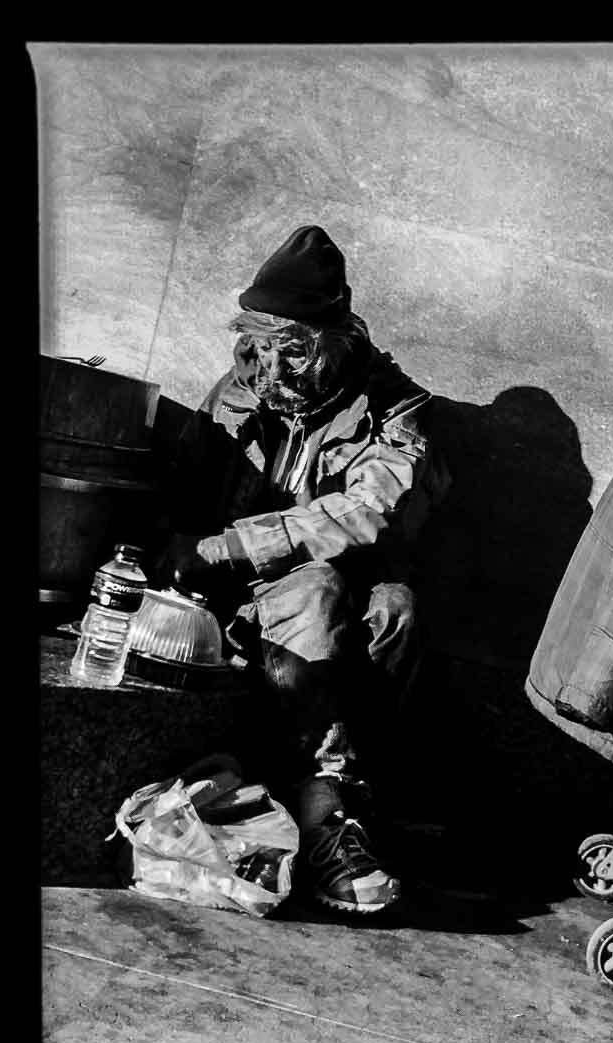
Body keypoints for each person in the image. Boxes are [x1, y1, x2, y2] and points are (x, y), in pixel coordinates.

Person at [152, 224, 450, 915]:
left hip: (323, 574)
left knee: (375, 605)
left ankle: (330, 809)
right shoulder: (239, 386)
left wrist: (235, 545)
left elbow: (369, 510)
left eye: (295, 351)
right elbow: (182, 494)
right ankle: (326, 810)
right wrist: (181, 545)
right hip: (232, 587)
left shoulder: (395, 408)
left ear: (338, 341)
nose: (274, 369)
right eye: (259, 345)